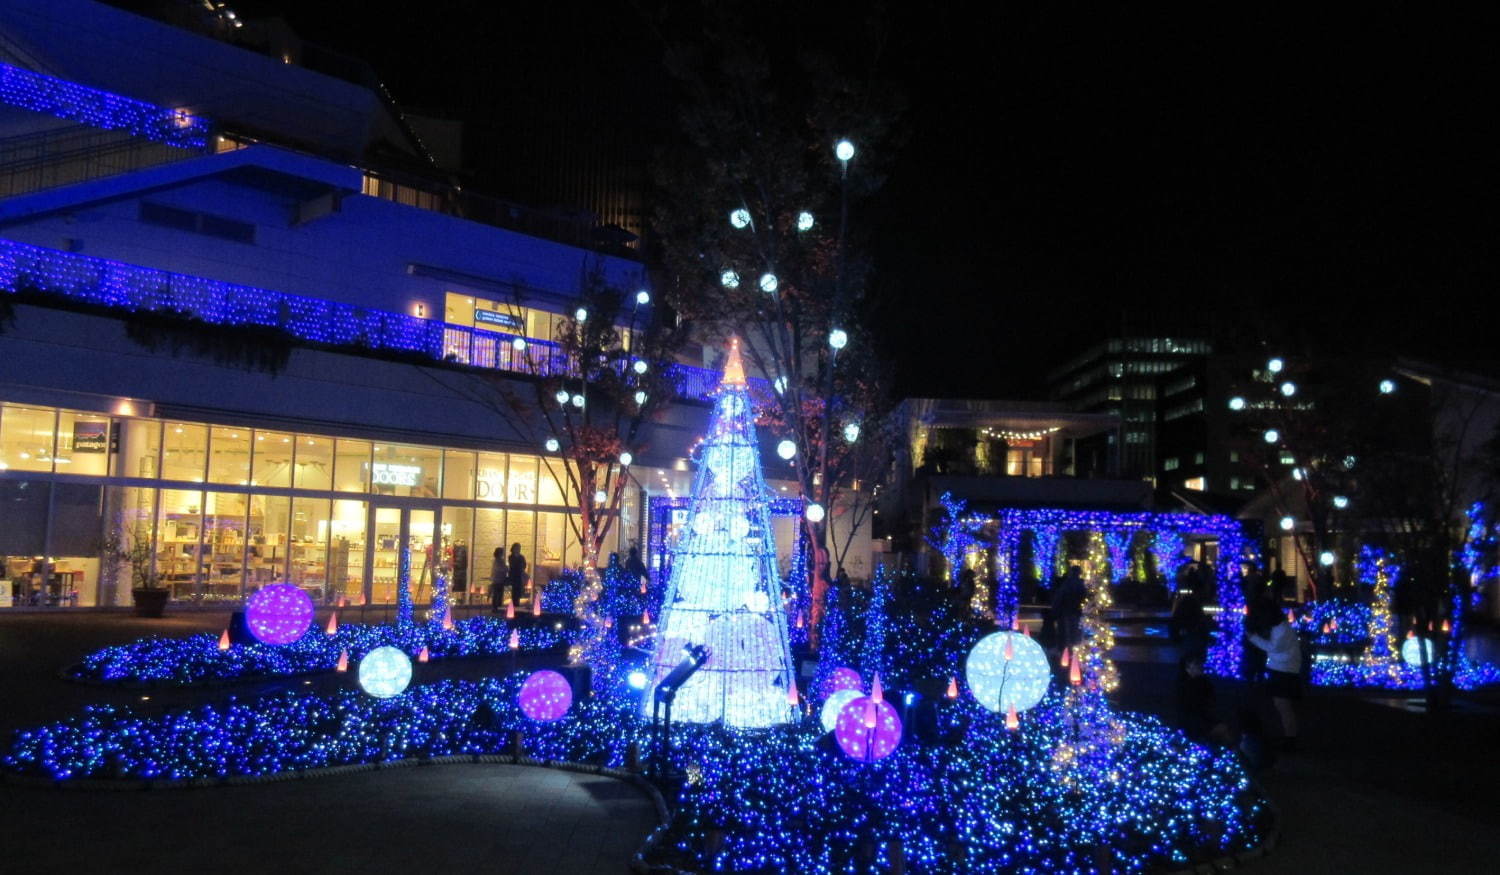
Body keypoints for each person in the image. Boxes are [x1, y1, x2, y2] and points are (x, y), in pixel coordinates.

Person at [1245, 601, 1302, 752]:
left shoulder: (1281, 630)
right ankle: (1289, 735)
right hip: (1282, 667)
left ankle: (1290, 738)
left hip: (1284, 669)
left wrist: (1253, 638)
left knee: (1283, 705)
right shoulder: (1280, 627)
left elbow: (1272, 647)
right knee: (1281, 705)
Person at [1177, 649, 1227, 744]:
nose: (1201, 666)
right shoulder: (1188, 686)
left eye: (1200, 663)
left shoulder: (1203, 681)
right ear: (1187, 668)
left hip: (1203, 720)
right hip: (1197, 724)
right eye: (1197, 664)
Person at [1050, 565, 1086, 650]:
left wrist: (1055, 609)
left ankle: (1067, 649)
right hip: (1074, 611)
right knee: (1074, 631)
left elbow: (1059, 597)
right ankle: (1073, 648)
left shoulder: (1067, 584)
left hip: (1067, 611)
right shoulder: (1079, 584)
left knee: (1067, 632)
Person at [506, 543, 528, 611]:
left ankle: (517, 603)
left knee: (518, 589)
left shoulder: (521, 556)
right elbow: (512, 564)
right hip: (513, 574)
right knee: (514, 589)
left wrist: (522, 569)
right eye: (517, 548)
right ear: (514, 548)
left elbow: (524, 564)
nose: (518, 549)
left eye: (519, 548)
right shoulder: (511, 556)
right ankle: (514, 603)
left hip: (519, 574)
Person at [489, 545, 505, 613]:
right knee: (497, 594)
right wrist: (506, 568)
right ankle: (496, 607)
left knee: (497, 594)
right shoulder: (498, 561)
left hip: (497, 580)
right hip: (498, 580)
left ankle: (496, 607)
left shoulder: (496, 561)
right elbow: (501, 569)